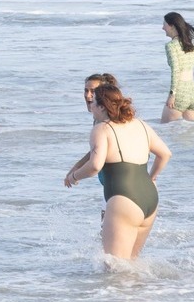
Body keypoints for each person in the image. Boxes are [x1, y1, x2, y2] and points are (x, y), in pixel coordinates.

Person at [64, 81, 172, 260]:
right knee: (132, 266)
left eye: (93, 103)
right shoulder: (141, 125)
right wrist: (152, 177)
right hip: (150, 198)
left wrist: (74, 176)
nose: (90, 105)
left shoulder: (101, 129)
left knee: (114, 269)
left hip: (124, 199)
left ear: (102, 106)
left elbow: (95, 166)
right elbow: (165, 154)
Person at [160, 12, 194, 122]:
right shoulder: (191, 46)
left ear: (172, 26)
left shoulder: (171, 46)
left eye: (164, 25)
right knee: (190, 136)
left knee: (167, 131)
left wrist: (172, 94)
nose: (163, 28)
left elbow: (176, 70)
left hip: (179, 94)